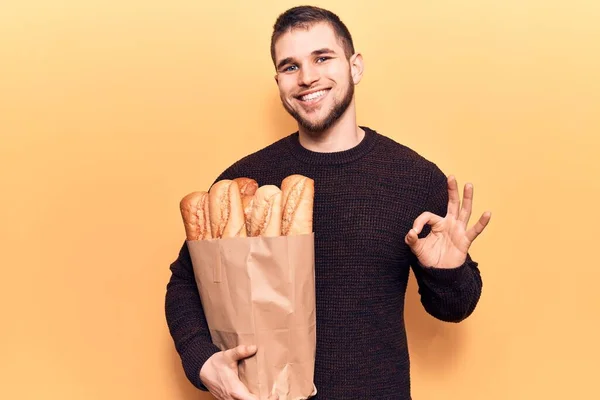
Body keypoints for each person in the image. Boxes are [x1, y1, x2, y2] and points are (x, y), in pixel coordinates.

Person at [165, 5, 491, 400]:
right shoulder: (244, 182)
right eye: (290, 67)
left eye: (322, 58)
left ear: (355, 67)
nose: (307, 78)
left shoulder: (414, 178)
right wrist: (202, 362)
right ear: (279, 81)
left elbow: (455, 308)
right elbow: (185, 282)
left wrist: (448, 271)